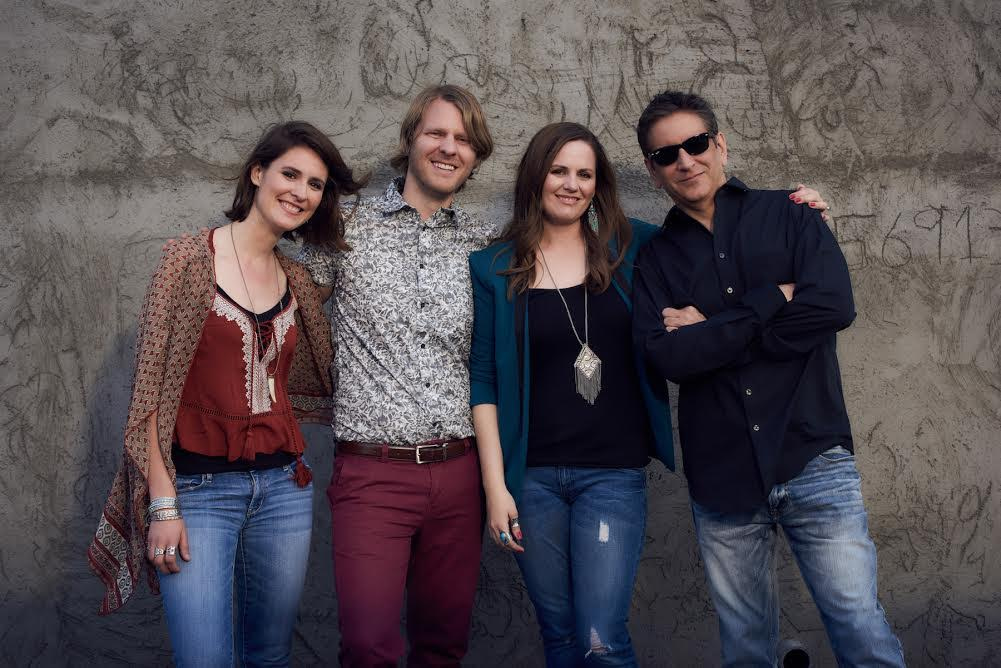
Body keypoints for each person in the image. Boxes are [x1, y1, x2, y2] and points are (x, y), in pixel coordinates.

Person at [632, 90, 905, 667]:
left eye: (696, 143)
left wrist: (714, 329)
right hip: (723, 477)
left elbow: (833, 307)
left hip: (814, 459)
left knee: (861, 631)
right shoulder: (655, 260)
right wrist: (770, 303)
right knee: (749, 650)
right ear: (652, 173)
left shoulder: (790, 214)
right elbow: (670, 358)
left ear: (720, 144)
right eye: (666, 155)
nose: (685, 160)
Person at [88, 121, 364, 667]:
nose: (300, 192)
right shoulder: (186, 262)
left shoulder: (298, 281)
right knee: (205, 660)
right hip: (197, 493)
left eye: (315, 184)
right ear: (257, 173)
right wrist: (163, 505)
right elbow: (150, 392)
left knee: (269, 656)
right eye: (290, 174)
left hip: (285, 488)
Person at [296, 84, 494, 668]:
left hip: (460, 476)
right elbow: (279, 296)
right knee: (368, 645)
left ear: (475, 156)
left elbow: (574, 244)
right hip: (372, 475)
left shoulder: (482, 244)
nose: (448, 148)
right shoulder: (346, 228)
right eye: (436, 132)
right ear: (410, 140)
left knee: (443, 646)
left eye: (463, 140)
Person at [468, 122, 674, 667]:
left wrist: (796, 212)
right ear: (536, 178)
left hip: (611, 476)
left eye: (584, 173)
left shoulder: (634, 247)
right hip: (531, 482)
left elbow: (715, 230)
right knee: (558, 635)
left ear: (598, 184)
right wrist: (497, 487)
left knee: (599, 638)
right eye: (558, 170)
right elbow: (484, 380)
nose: (571, 184)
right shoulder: (493, 267)